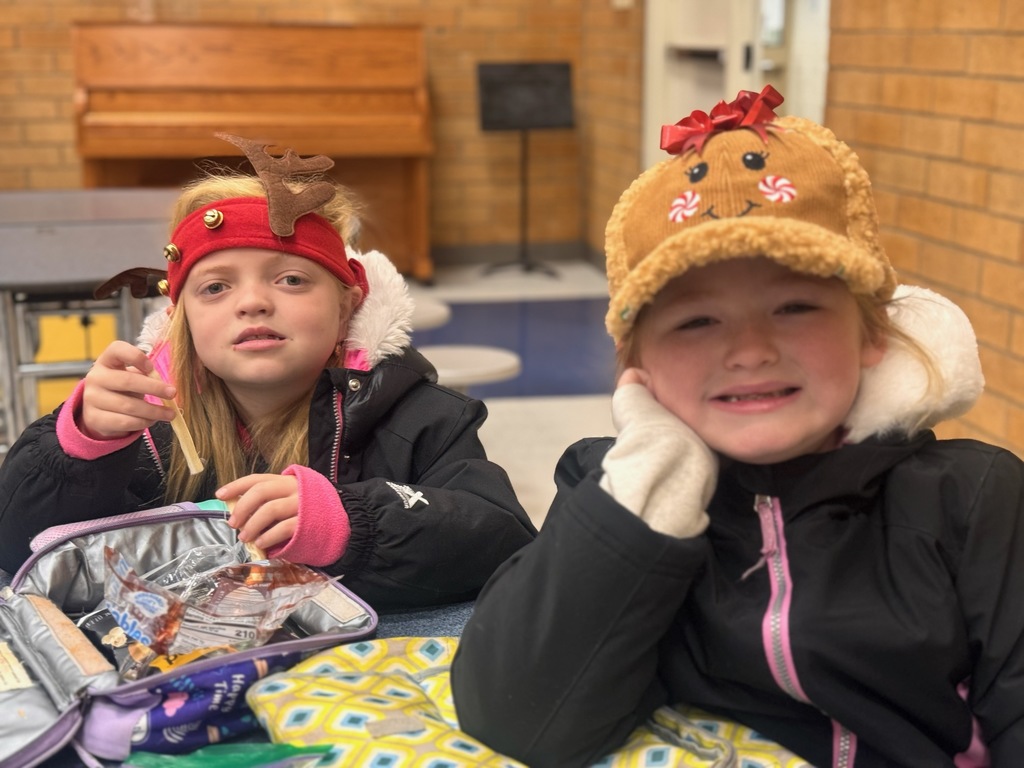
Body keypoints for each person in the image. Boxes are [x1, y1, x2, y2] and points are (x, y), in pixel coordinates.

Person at [451, 86, 1024, 766]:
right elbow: (516, 719)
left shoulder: (972, 498)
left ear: (872, 333)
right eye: (695, 320)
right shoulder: (612, 491)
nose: (750, 350)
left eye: (794, 307)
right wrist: (655, 476)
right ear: (639, 365)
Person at [0, 134, 537, 610]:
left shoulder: (419, 416)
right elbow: (19, 553)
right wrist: (79, 448)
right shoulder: (145, 428)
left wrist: (350, 524)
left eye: (291, 280)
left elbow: (504, 543)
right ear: (180, 318)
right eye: (216, 286)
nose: (253, 302)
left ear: (347, 305)